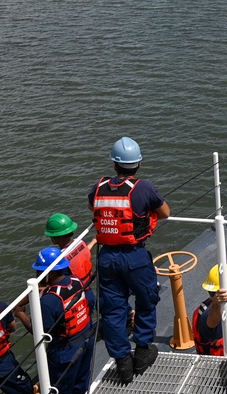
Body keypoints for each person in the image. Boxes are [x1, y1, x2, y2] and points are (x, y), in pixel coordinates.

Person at [88, 136, 170, 384]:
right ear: (138, 165)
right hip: (134, 257)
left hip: (106, 258)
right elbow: (165, 212)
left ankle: (122, 363)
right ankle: (143, 351)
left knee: (113, 310)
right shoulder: (143, 188)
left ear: (114, 165)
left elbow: (94, 207)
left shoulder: (98, 187)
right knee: (147, 299)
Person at [14, 247, 95, 394]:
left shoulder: (49, 300)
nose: (37, 274)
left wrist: (20, 314)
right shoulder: (76, 281)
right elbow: (90, 302)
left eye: (39, 271)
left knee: (62, 388)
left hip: (65, 352)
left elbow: (39, 331)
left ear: (49, 273)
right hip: (86, 339)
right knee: (81, 382)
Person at [192, 264, 227, 356]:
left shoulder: (204, 308)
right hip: (218, 366)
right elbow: (211, 323)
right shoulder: (208, 314)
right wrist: (217, 303)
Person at [44, 212, 94, 288]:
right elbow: (85, 251)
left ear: (56, 238)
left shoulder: (61, 258)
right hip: (88, 283)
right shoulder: (81, 242)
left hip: (76, 291)